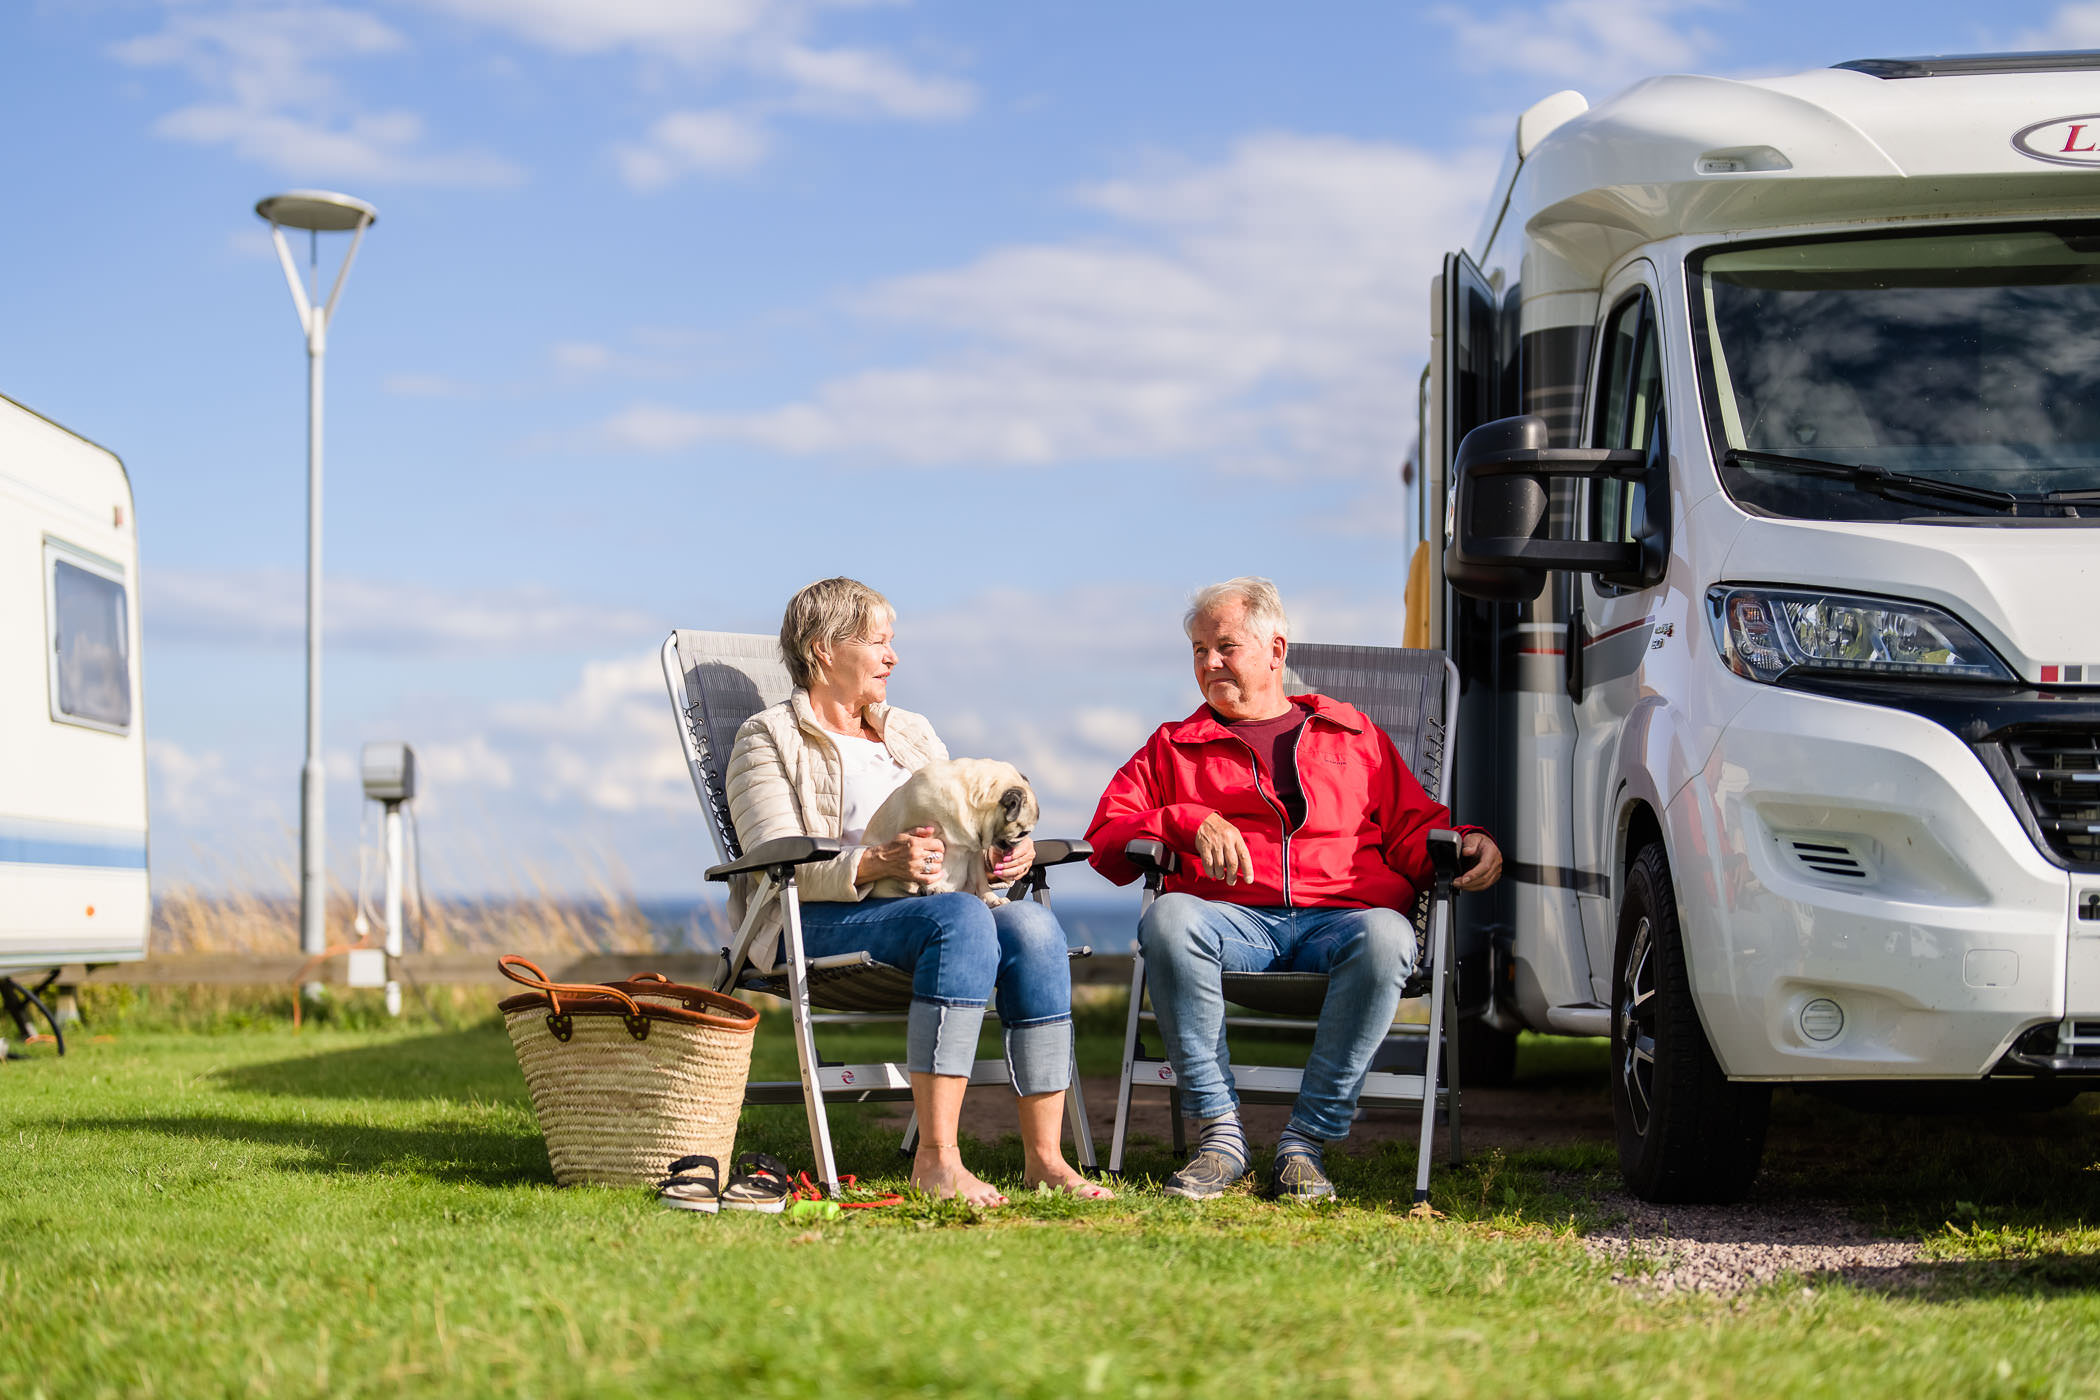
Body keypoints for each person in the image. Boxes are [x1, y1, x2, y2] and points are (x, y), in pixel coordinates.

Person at [1086, 577, 1502, 1202]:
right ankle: (1221, 1137)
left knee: (1390, 936)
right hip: (1233, 923)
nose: (1209, 663)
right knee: (1169, 919)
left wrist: (1469, 839)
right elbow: (1108, 838)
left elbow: (1416, 828)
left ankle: (1304, 1144)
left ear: (1275, 650)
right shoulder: (1175, 747)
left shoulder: (1352, 735)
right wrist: (1183, 819)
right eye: (1199, 650)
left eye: (1224, 646)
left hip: (1342, 922)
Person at [725, 577, 1109, 1207]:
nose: (892, 657)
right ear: (823, 649)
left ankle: (1046, 1159)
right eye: (878, 642)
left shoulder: (912, 731)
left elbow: (969, 821)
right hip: (815, 919)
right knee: (958, 920)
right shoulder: (767, 738)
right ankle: (937, 1161)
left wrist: (1001, 854)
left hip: (937, 910)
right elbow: (771, 862)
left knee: (1035, 930)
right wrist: (875, 861)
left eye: (891, 642)